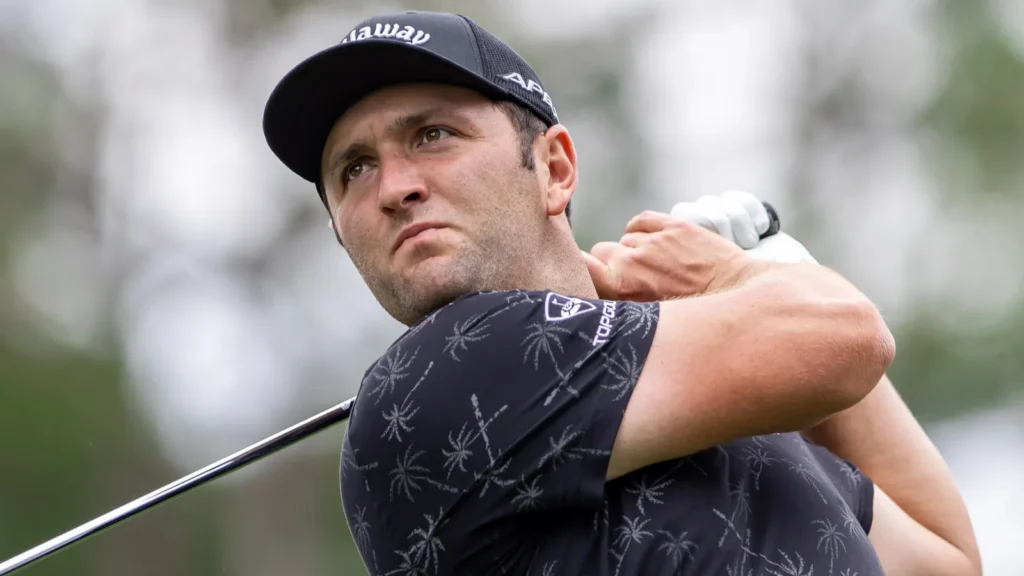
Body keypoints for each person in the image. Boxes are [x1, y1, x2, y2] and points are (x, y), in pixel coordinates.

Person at [262, 10, 982, 576]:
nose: (394, 187)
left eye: (433, 134)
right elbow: (848, 338)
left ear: (554, 169)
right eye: (354, 169)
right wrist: (743, 280)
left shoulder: (710, 396)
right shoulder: (439, 376)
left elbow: (945, 563)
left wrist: (772, 276)